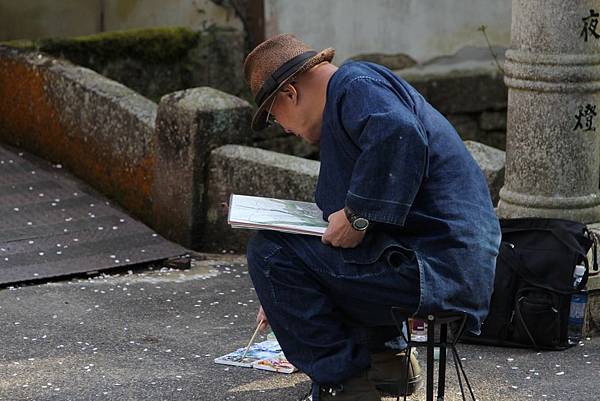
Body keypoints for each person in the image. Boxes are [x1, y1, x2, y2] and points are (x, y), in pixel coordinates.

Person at [243, 33, 501, 401]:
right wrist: (280, 290)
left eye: (273, 117)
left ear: (290, 93)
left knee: (269, 253)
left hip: (436, 267)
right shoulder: (353, 94)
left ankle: (344, 384)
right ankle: (387, 361)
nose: (281, 127)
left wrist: (358, 215)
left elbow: (398, 132)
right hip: (444, 263)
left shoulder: (355, 85)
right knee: (292, 258)